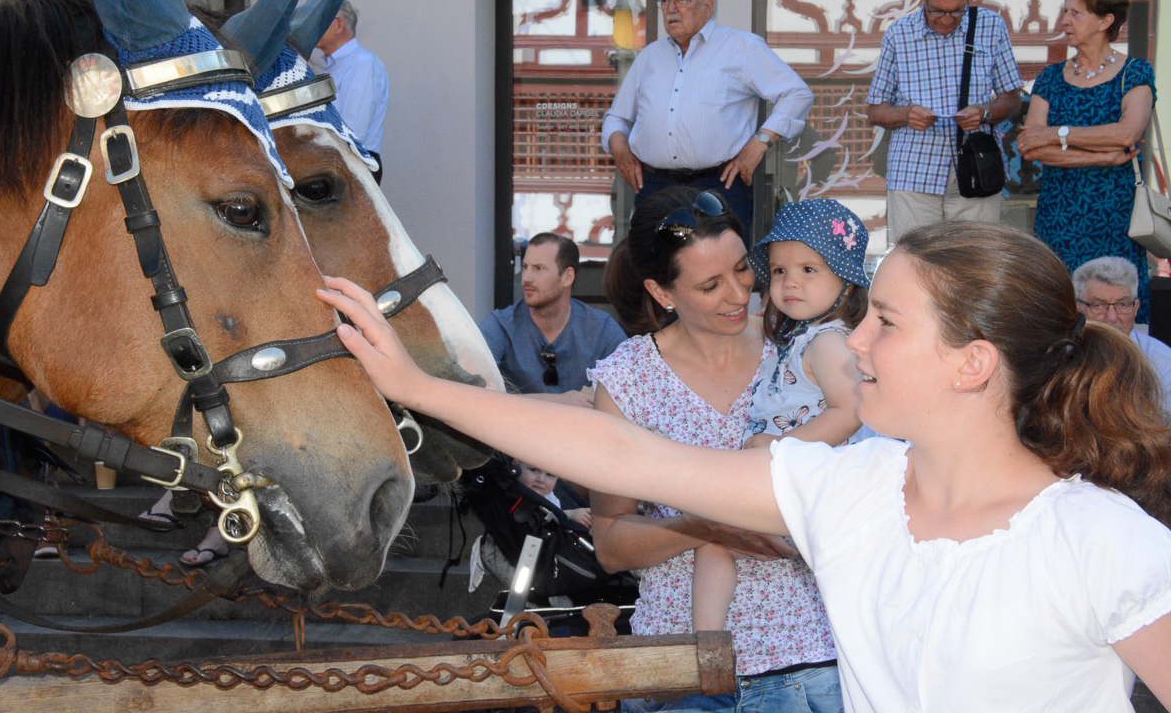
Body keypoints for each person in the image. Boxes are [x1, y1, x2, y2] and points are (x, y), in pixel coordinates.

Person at [320, 221, 1171, 713]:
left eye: (885, 322)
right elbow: (625, 454)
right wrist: (415, 387)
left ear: (972, 363)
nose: (856, 342)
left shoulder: (1102, 542)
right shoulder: (850, 490)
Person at [591, 187, 842, 712]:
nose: (738, 294)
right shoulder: (627, 380)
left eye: (743, 270)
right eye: (710, 284)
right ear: (662, 293)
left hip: (808, 654)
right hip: (678, 665)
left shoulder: (803, 347)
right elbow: (612, 542)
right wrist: (708, 526)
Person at [694, 199, 866, 636]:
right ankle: (709, 641)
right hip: (791, 473)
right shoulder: (799, 335)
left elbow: (850, 412)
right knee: (718, 535)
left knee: (716, 536)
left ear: (846, 281)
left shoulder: (829, 342)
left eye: (810, 270)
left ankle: (706, 642)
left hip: (810, 476)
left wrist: (782, 450)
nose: (791, 283)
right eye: (779, 271)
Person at [601, 0, 813, 243]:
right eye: (664, 1)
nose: (671, 9)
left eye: (681, 0)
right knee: (655, 269)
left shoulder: (741, 47)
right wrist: (620, 150)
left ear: (707, 6)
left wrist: (760, 142)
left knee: (720, 270)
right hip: (655, 187)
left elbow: (797, 94)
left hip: (718, 185)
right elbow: (616, 118)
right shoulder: (650, 57)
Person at [1017, 0, 1155, 323]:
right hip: (1059, 215)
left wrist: (1057, 134)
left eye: (1075, 13)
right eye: (1065, 11)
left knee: (1114, 312)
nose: (1064, 20)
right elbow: (1030, 146)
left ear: (1105, 21)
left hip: (1114, 216)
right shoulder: (1050, 77)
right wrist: (1104, 155)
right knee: (1059, 310)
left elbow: (1126, 134)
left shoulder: (1135, 72)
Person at [867, 0, 1023, 244]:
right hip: (913, 171)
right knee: (915, 264)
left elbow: (1012, 100)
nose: (947, 20)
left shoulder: (990, 26)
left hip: (976, 166)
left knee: (974, 265)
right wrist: (906, 114)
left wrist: (985, 113)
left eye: (957, 11)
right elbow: (875, 111)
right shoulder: (899, 34)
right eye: (937, 10)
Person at [479, 233, 626, 406]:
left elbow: (633, 391)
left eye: (539, 268)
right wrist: (557, 402)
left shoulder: (601, 329)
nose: (526, 278)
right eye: (525, 267)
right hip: (515, 429)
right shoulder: (500, 325)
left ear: (567, 277)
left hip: (580, 431)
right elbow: (473, 394)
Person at [1072, 256, 1171, 414]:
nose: (1111, 318)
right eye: (1098, 305)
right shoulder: (1059, 357)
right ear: (1078, 308)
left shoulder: (1162, 361)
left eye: (1122, 304)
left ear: (1136, 308)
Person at [316, 0, 389, 154]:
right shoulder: (329, 68)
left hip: (352, 161)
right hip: (332, 160)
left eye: (320, 21)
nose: (314, 28)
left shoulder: (362, 63)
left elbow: (354, 129)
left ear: (339, 25)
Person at [514, 459, 591, 528]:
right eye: (534, 470)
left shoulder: (554, 493)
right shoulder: (513, 495)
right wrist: (570, 515)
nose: (541, 480)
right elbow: (540, 519)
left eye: (550, 474)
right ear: (516, 465)